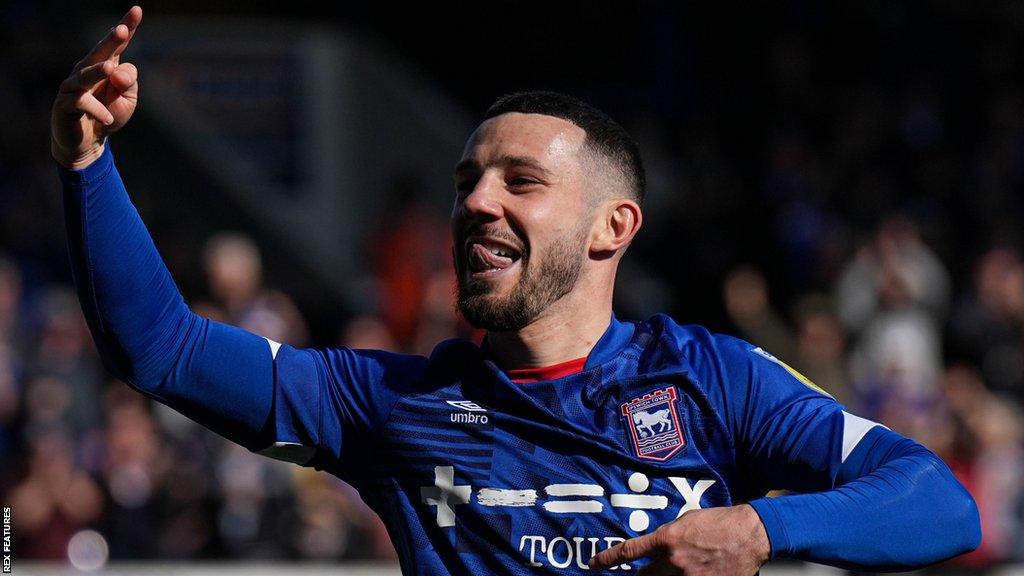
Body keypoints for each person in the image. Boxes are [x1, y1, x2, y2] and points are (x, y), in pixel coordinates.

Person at [52, 7, 980, 575]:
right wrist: (88, 161)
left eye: (519, 182)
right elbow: (162, 349)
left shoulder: (716, 379)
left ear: (613, 226)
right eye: (467, 183)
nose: (477, 203)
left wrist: (757, 532)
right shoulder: (386, 405)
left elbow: (938, 503)